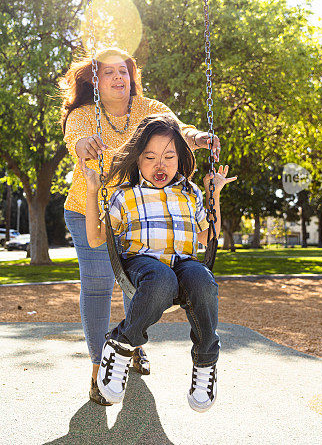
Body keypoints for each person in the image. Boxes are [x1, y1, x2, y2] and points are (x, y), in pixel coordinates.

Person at [60, 47, 221, 405]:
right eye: (109, 72)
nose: (119, 77)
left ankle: (131, 342)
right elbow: (77, 141)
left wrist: (199, 139)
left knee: (143, 280)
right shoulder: (84, 115)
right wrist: (85, 144)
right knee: (100, 283)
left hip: (147, 207)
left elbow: (180, 131)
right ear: (95, 81)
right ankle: (97, 363)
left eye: (124, 70)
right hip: (93, 207)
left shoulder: (150, 108)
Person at [80, 114, 234, 412]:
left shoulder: (190, 192)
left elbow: (209, 236)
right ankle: (122, 345)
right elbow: (97, 237)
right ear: (137, 160)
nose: (159, 164)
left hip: (183, 264)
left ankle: (206, 361)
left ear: (181, 158)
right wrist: (91, 191)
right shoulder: (124, 196)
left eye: (168, 156)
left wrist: (214, 193)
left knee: (202, 281)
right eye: (150, 157)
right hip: (141, 264)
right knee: (162, 278)